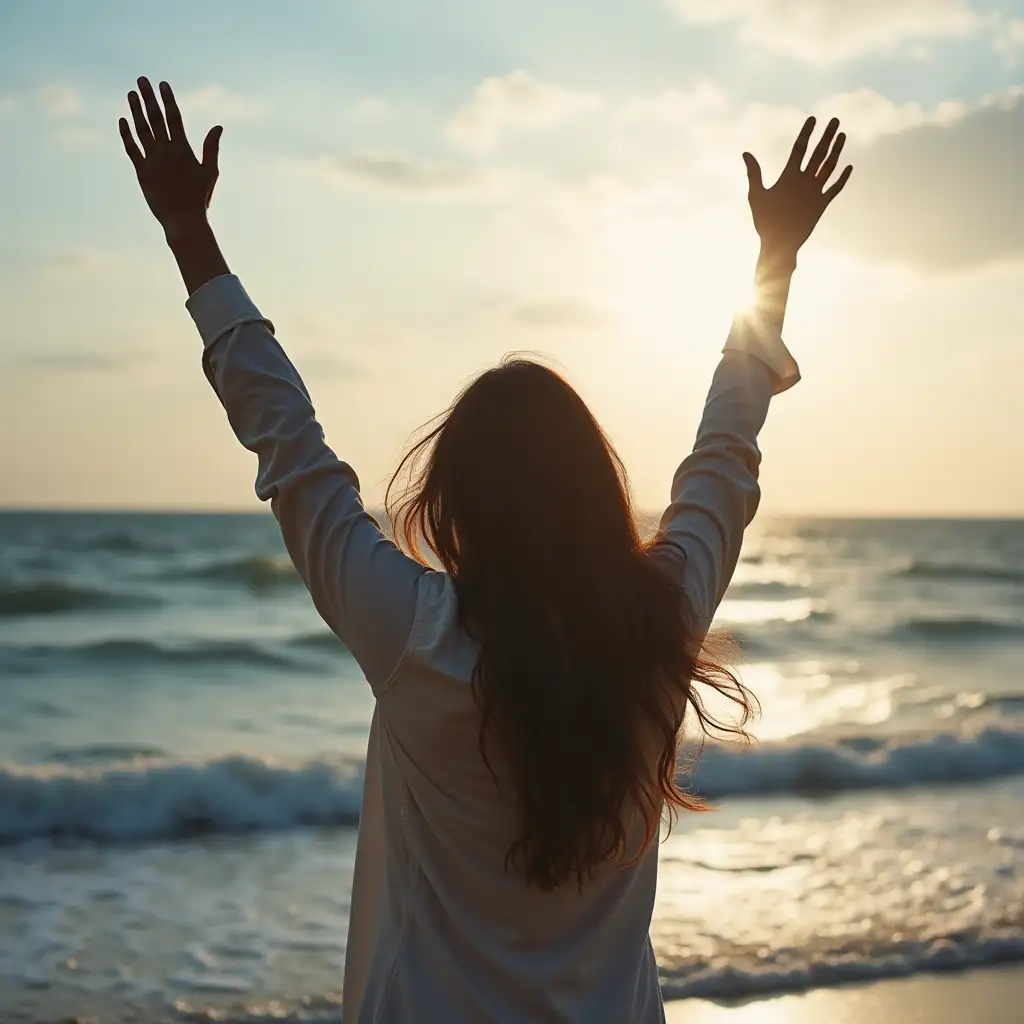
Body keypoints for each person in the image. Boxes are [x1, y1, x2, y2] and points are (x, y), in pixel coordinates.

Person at [119, 77, 852, 1023]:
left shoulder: (413, 633)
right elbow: (726, 452)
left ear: (457, 503)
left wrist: (191, 235)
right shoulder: (659, 621)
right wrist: (776, 258)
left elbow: (290, 446)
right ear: (595, 490)